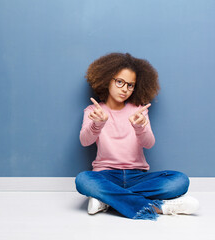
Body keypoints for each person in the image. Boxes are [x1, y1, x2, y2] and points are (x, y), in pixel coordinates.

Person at [75, 52, 199, 220]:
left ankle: (107, 200)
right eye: (120, 82)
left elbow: (149, 143)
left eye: (130, 85)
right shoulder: (93, 111)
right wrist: (98, 124)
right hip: (105, 175)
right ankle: (161, 207)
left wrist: (139, 127)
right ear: (106, 80)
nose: (125, 89)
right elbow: (84, 141)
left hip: (138, 177)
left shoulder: (138, 110)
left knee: (180, 180)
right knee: (83, 180)